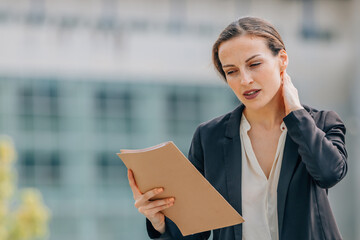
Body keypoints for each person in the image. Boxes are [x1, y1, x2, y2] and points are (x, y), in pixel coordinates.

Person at [127, 17, 348, 240]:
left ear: (282, 59)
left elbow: (329, 173)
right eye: (232, 71)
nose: (245, 80)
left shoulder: (321, 124)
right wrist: (160, 222)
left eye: (254, 64)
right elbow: (195, 231)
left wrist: (296, 114)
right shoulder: (210, 137)